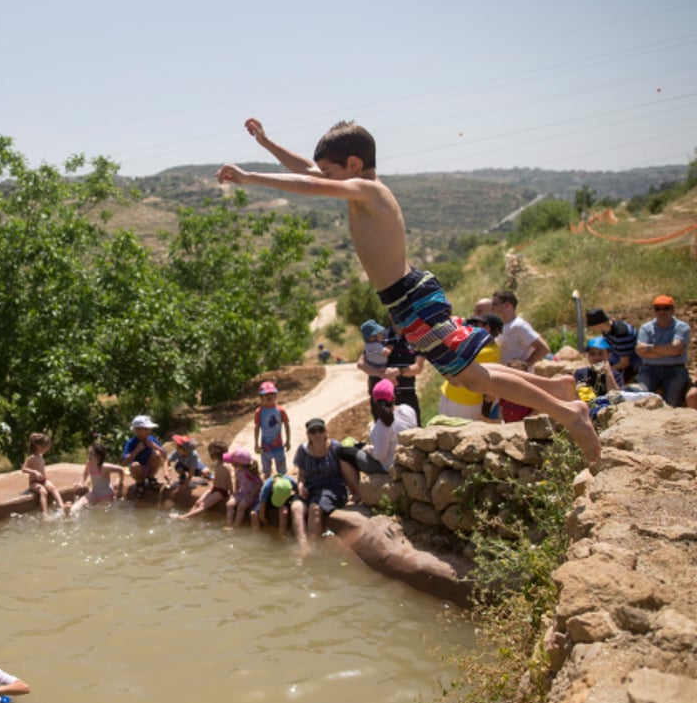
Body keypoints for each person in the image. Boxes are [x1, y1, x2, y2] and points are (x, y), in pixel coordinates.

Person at [214, 117, 600, 463]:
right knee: (471, 373)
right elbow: (308, 170)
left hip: (412, 299)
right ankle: (559, 387)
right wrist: (267, 144)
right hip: (408, 298)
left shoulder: (370, 191)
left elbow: (309, 183)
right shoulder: (359, 185)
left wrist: (250, 177)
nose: (323, 176)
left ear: (352, 165)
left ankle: (570, 414)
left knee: (472, 379)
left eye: (330, 171)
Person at [290, 418, 358, 555]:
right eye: (313, 431)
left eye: (320, 430)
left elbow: (347, 470)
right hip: (311, 488)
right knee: (296, 507)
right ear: (308, 434)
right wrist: (301, 486)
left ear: (325, 432)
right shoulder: (303, 450)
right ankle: (303, 543)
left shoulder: (335, 447)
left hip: (332, 488)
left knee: (314, 508)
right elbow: (302, 475)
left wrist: (355, 491)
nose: (317, 434)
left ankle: (313, 544)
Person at [340, 379, 418, 474]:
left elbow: (380, 456)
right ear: (393, 397)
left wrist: (367, 449)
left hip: (389, 467)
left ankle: (355, 488)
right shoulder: (408, 410)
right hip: (409, 461)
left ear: (375, 400)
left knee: (345, 452)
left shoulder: (383, 425)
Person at [438, 313, 503, 421]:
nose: (471, 327)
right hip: (451, 395)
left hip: (465, 403)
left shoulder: (489, 352)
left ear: (487, 328)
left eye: (475, 324)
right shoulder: (481, 346)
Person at [356, 323, 424, 426]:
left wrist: (398, 371)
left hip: (407, 395)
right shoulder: (379, 336)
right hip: (382, 399)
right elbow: (361, 364)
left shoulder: (414, 337)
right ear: (391, 315)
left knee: (413, 434)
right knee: (385, 437)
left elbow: (418, 367)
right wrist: (380, 374)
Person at [636, 294, 691, 407]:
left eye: (666, 308)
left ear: (672, 310)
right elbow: (639, 351)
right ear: (654, 311)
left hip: (675, 369)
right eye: (658, 308)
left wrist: (649, 349)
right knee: (641, 399)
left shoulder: (682, 327)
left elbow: (676, 348)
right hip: (649, 369)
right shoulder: (646, 328)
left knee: (671, 402)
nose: (662, 312)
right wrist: (670, 352)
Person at [491, 290, 550, 372]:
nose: (492, 308)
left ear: (507, 305)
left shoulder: (519, 325)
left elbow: (543, 348)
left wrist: (525, 364)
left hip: (519, 378)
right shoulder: (502, 326)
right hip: (505, 377)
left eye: (495, 304)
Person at [172, 440, 231, 520]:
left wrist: (232, 493)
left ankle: (183, 517)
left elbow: (229, 480)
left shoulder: (225, 466)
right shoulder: (218, 464)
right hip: (214, 489)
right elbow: (217, 478)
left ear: (214, 453)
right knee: (197, 502)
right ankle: (189, 516)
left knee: (203, 506)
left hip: (222, 492)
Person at [586, 307, 638, 383]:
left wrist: (607, 370)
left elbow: (625, 362)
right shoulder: (606, 329)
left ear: (598, 325)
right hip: (616, 356)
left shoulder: (621, 334)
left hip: (631, 363)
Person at [72, 442, 125, 514]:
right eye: (88, 453)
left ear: (99, 457)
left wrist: (120, 484)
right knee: (80, 503)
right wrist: (81, 482)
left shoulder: (105, 467)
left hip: (106, 495)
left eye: (91, 454)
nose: (89, 455)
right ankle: (68, 514)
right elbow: (85, 473)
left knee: (100, 513)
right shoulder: (89, 463)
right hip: (95, 493)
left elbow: (121, 470)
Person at [122, 415, 168, 497]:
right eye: (146, 429)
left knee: (156, 454)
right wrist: (136, 450)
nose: (149, 431)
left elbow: (165, 454)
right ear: (137, 430)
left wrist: (155, 446)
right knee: (134, 465)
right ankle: (139, 483)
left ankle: (151, 478)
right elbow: (125, 462)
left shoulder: (151, 439)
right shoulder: (131, 442)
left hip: (150, 467)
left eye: (149, 429)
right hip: (137, 470)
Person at [253, 381, 291, 476]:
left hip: (278, 446)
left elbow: (286, 424)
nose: (269, 397)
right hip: (265, 447)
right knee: (266, 471)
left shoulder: (280, 410)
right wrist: (256, 444)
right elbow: (257, 427)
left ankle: (283, 487)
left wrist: (288, 440)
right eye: (266, 395)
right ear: (261, 397)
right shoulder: (259, 412)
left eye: (271, 394)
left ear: (275, 395)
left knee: (282, 471)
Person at [21, 433, 67, 514]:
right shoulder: (31, 457)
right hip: (34, 483)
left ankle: (61, 505)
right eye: (46, 447)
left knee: (53, 488)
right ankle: (44, 513)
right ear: (39, 446)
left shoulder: (41, 456)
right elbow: (23, 469)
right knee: (43, 492)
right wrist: (35, 472)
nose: (47, 450)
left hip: (43, 480)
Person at [222, 447, 263, 530]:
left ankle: (236, 525)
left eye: (232, 462)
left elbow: (259, 483)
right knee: (229, 504)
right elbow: (236, 482)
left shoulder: (248, 473)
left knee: (241, 506)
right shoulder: (237, 471)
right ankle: (229, 523)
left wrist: (251, 495)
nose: (231, 463)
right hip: (242, 493)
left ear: (238, 463)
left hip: (252, 495)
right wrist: (235, 492)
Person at [251, 474, 298, 538]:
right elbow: (262, 503)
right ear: (273, 488)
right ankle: (256, 535)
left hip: (284, 497)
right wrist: (263, 519)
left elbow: (298, 492)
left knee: (284, 513)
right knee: (253, 514)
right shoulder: (266, 487)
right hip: (269, 499)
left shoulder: (291, 482)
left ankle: (281, 535)